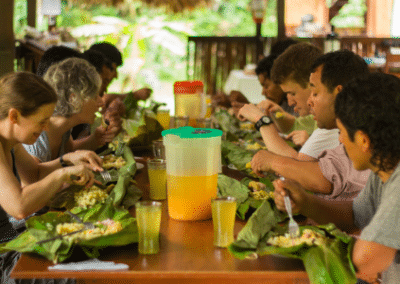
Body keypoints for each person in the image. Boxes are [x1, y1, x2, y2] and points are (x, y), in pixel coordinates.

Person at [273, 72, 400, 283]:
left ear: (363, 140)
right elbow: (354, 216)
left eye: (341, 132)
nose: (340, 140)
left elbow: (365, 259)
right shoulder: (384, 168)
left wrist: (310, 243)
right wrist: (306, 202)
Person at [0, 72, 100, 284]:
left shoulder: (10, 140)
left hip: (14, 241)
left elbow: (35, 173)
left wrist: (68, 159)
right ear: (14, 116)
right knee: (85, 277)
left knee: (95, 243)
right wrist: (62, 173)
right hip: (4, 256)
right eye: (42, 121)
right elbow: (19, 206)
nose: (46, 128)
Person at [250, 50, 371, 201]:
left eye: (315, 93)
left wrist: (273, 159)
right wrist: (306, 204)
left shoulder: (361, 137)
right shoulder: (341, 135)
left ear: (339, 94)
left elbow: (320, 179)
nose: (309, 101)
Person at [238, 42, 333, 160]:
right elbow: (295, 125)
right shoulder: (317, 114)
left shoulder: (330, 120)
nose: (290, 102)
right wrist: (277, 113)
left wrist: (262, 121)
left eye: (292, 93)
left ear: (313, 83)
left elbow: (298, 167)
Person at [23, 57, 116, 159]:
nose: (101, 102)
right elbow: (36, 174)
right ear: (74, 99)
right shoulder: (37, 136)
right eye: (94, 96)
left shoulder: (63, 128)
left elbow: (70, 150)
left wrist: (95, 139)